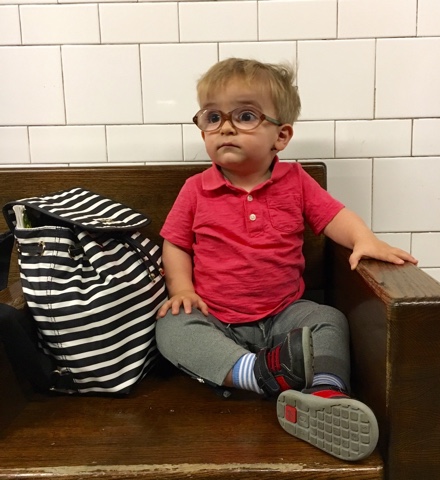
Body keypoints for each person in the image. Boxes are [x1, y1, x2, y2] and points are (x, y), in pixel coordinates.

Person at [155, 58, 418, 461]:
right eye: (213, 117)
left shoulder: (295, 181)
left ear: (281, 136)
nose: (225, 127)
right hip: (216, 319)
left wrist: (363, 239)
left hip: (284, 317)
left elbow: (334, 217)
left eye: (245, 116)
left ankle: (325, 393)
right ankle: (256, 374)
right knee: (171, 327)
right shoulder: (195, 189)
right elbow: (175, 244)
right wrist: (182, 289)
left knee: (329, 319)